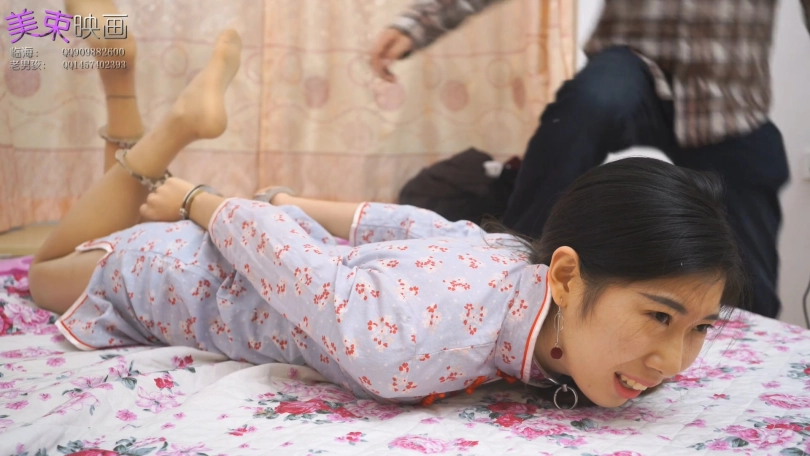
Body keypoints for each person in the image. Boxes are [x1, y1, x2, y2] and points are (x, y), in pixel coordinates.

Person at [29, 27, 749, 409]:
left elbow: (409, 223)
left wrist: (288, 204)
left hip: (235, 243)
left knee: (110, 220)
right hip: (180, 280)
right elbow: (305, 275)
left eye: (698, 328)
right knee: (41, 273)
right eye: (660, 318)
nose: (673, 363)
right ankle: (165, 128)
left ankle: (128, 94)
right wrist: (199, 201)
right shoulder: (411, 349)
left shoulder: (510, 256)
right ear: (565, 274)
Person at [370, 0, 810, 319]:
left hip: (728, 98)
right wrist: (419, 24)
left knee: (756, 199)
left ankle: (756, 341)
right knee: (586, 105)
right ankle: (513, 273)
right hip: (634, 63)